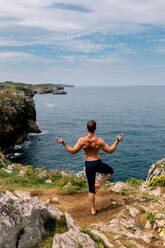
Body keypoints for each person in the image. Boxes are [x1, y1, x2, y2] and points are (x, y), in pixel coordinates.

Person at [56, 120, 124, 215]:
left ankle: (93, 210)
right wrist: (117, 141)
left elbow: (72, 151)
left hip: (88, 164)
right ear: (95, 128)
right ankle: (99, 183)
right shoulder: (99, 140)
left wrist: (63, 143)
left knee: (91, 189)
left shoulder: (82, 140)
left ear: (86, 128)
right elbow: (110, 151)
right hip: (98, 163)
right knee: (110, 171)